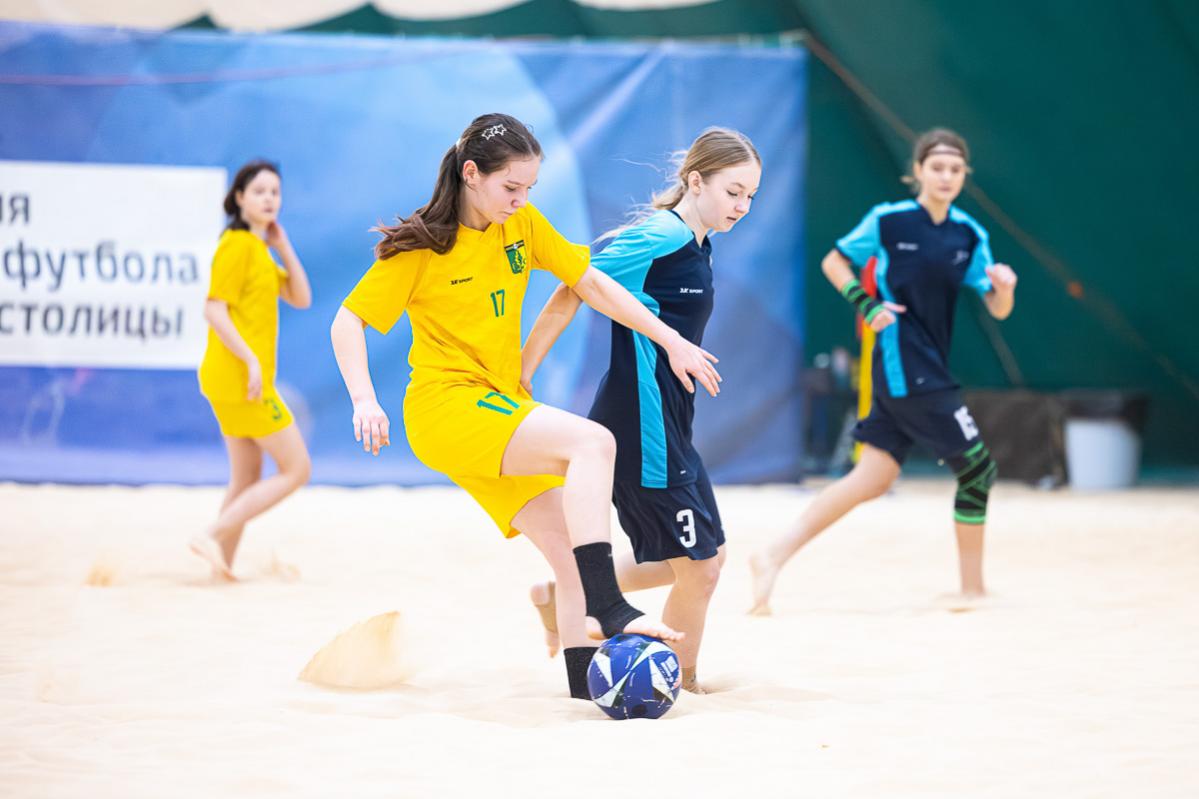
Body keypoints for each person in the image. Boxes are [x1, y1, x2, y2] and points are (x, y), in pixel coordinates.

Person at [329, 113, 722, 699]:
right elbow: (347, 321)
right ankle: (610, 604)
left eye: (530, 188)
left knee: (569, 552)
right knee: (595, 441)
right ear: (471, 174)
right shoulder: (421, 246)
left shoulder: (522, 225)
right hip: (446, 407)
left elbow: (589, 284)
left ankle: (584, 686)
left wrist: (671, 340)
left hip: (497, 404)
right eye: (511, 187)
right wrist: (364, 399)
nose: (521, 199)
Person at [520, 128, 761, 693]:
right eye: (733, 192)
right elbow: (573, 285)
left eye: (751, 196)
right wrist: (523, 371)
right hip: (640, 423)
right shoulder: (661, 234)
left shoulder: (697, 242)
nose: (742, 207)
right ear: (695, 181)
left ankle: (562, 593)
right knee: (699, 569)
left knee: (707, 556)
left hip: (671, 423)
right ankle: (682, 681)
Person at [750, 128, 1018, 613]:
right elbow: (835, 261)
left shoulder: (968, 233)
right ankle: (972, 589)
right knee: (978, 469)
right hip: (904, 363)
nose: (946, 176)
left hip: (928, 364)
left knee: (872, 478)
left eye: (955, 169)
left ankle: (771, 555)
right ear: (917, 171)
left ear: (964, 176)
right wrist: (866, 303)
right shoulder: (889, 221)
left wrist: (1005, 289)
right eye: (937, 167)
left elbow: (997, 307)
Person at [191, 160, 313, 580]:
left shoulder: (258, 250)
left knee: (245, 477)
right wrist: (250, 359)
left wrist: (284, 246)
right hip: (242, 380)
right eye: (259, 191)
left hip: (235, 380)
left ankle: (219, 568)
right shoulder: (238, 245)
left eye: (275, 192)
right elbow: (213, 308)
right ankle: (211, 534)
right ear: (239, 198)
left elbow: (301, 297)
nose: (269, 199)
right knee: (297, 469)